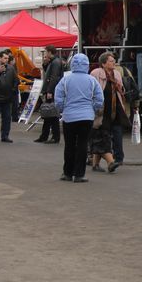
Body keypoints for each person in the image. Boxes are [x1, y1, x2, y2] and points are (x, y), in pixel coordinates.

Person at [55, 54, 104, 183]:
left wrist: (62, 108)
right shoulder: (91, 80)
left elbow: (58, 96)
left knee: (69, 145)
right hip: (86, 117)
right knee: (82, 145)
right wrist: (92, 108)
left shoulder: (65, 80)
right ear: (86, 65)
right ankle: (79, 175)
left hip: (69, 117)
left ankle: (67, 173)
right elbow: (99, 98)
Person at [90, 52, 130, 173]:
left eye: (114, 60)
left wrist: (120, 87)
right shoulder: (96, 73)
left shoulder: (117, 73)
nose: (114, 62)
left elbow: (121, 90)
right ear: (103, 63)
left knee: (116, 134)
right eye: (111, 61)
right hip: (102, 111)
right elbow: (91, 90)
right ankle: (111, 162)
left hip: (115, 109)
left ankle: (105, 162)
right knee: (104, 136)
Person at [35, 45, 63, 144]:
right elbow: (49, 73)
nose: (45, 54)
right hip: (51, 90)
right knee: (48, 113)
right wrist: (45, 64)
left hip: (52, 90)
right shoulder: (53, 62)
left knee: (52, 114)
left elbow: (54, 77)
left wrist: (50, 91)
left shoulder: (55, 62)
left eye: (46, 52)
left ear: (50, 52)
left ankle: (55, 137)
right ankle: (44, 135)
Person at [126, 12, 142, 94]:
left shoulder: (137, 26)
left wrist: (132, 50)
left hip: (140, 51)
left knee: (141, 71)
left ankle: (141, 90)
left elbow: (133, 39)